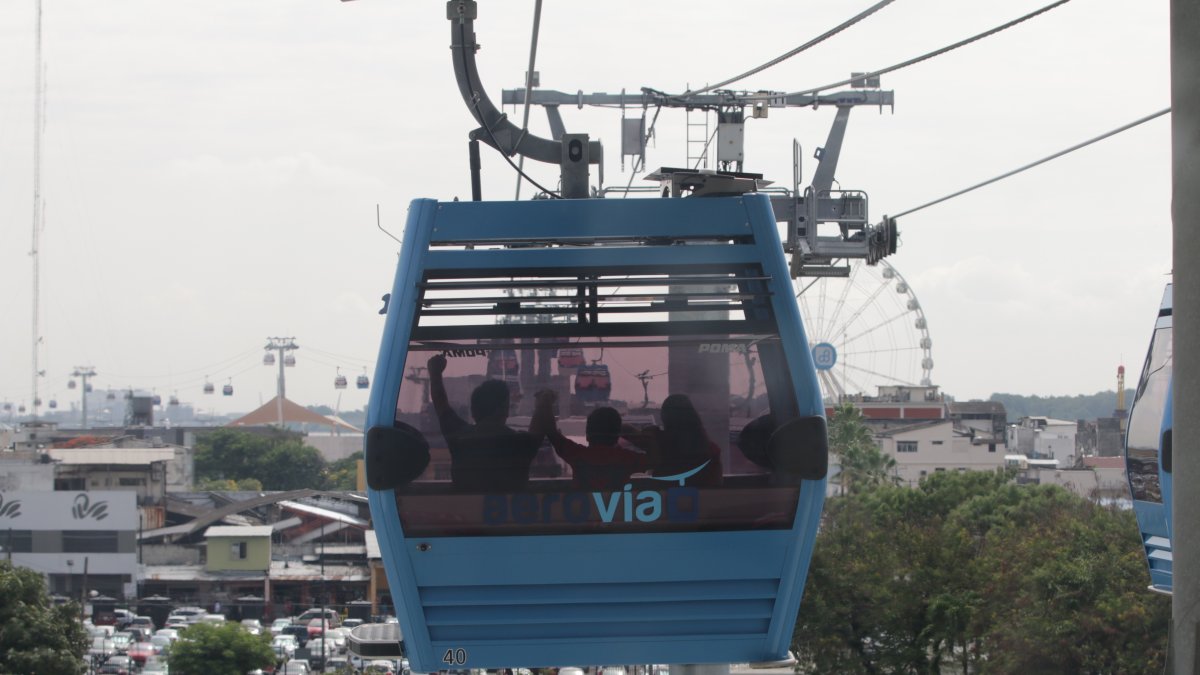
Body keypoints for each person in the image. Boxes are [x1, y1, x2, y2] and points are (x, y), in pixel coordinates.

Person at [427, 353, 545, 492]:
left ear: (474, 411)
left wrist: (435, 373)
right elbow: (540, 427)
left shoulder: (460, 437)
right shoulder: (521, 443)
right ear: (504, 410)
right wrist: (545, 401)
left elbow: (441, 404)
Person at [535, 391, 656, 491]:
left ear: (588, 435)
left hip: (582, 513)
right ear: (617, 435)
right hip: (615, 513)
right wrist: (626, 429)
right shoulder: (627, 458)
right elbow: (656, 454)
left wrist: (545, 402)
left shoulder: (577, 454)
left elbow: (550, 431)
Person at [625, 393, 723, 487]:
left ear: (664, 416)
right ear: (693, 416)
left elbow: (627, 431)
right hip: (700, 501)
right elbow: (716, 482)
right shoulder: (711, 449)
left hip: (662, 499)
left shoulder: (657, 440)